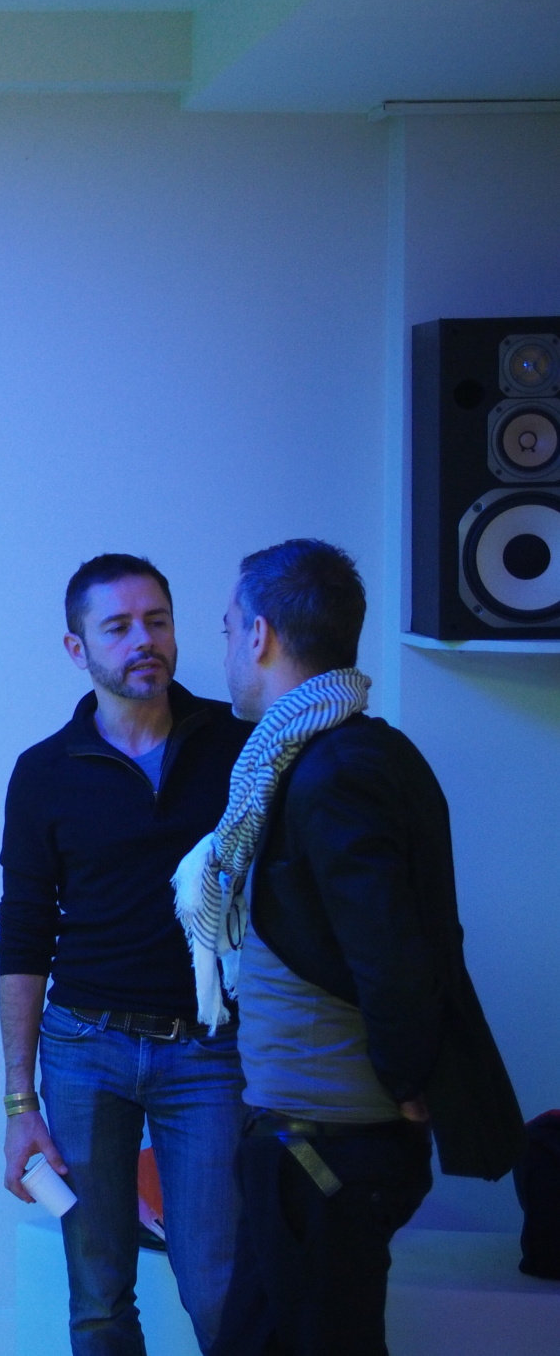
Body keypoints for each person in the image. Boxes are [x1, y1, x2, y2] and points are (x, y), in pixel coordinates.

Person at [189, 540, 523, 1356]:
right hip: (302, 1141)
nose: (224, 646)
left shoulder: (334, 767)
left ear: (259, 635)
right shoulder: (326, 753)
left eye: (228, 627)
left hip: (326, 1147)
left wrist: (409, 1079)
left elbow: (392, 953)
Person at [0, 554, 252, 1356]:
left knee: (219, 1291)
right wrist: (19, 1104)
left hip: (207, 1053)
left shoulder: (238, 746)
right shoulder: (43, 772)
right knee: (98, 1297)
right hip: (83, 1052)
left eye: (156, 621)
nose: (143, 639)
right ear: (76, 648)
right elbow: (23, 934)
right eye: (117, 627)